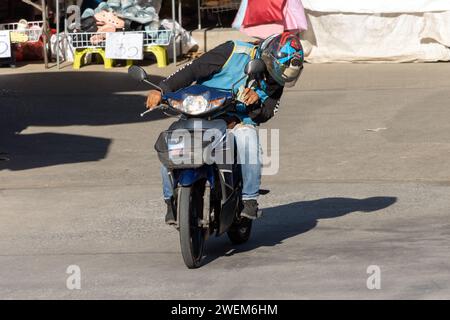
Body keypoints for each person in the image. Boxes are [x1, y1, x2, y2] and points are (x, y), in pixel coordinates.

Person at [146, 32, 304, 224]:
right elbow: (194, 70)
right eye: (272, 70)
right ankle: (170, 201)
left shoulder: (276, 80)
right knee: (172, 145)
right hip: (200, 109)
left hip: (236, 120)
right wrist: (162, 89)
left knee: (249, 140)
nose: (273, 79)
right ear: (267, 57)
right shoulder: (233, 50)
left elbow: (267, 113)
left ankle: (249, 199)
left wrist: (254, 105)